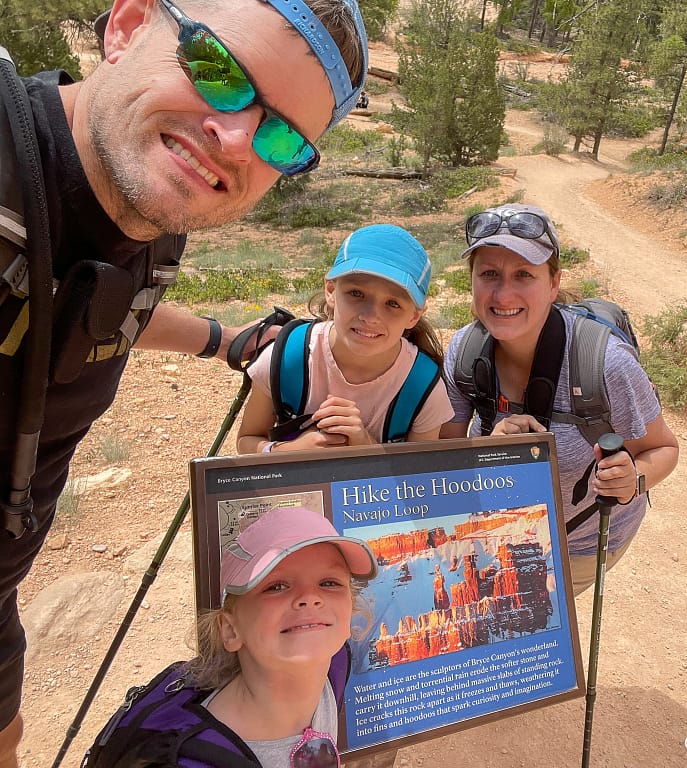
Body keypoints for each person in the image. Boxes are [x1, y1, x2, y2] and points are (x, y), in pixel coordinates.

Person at [0, 0, 370, 763]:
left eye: (280, 137)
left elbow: (106, 304)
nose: (235, 137)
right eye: (218, 70)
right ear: (128, 24)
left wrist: (224, 341)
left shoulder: (153, 222)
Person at [440, 204, 679, 595]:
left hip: (577, 542)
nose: (503, 293)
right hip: (500, 528)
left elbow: (663, 448)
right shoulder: (466, 351)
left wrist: (632, 480)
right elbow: (442, 454)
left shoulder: (604, 364)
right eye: (489, 274)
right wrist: (488, 453)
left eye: (523, 275)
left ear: (553, 284)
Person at [84, 506, 378, 765]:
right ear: (230, 629)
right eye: (276, 586)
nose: (310, 597)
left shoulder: (334, 664)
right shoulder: (195, 759)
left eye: (329, 582)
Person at [236, 224, 453, 453]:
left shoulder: (423, 386)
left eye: (392, 304)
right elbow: (247, 441)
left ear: (414, 316)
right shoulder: (287, 358)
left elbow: (419, 479)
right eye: (356, 294)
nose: (370, 317)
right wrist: (291, 452)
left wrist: (364, 447)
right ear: (331, 290)